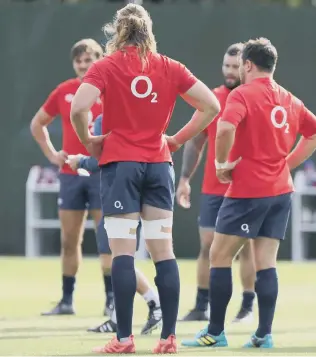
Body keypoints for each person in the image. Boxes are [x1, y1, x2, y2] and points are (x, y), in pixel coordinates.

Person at [69, 4, 220, 354]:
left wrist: (89, 142)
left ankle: (124, 340)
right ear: (149, 30)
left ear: (118, 32)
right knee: (163, 252)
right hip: (158, 166)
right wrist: (177, 140)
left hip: (121, 167)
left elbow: (79, 109)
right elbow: (211, 106)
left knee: (122, 253)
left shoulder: (105, 66)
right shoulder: (169, 66)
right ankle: (168, 339)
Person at [182, 37, 316, 349]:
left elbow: (223, 129)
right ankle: (263, 334)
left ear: (248, 65)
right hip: (280, 191)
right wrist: (287, 164)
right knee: (267, 263)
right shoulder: (289, 98)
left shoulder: (242, 95)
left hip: (248, 190)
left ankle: (215, 333)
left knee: (218, 256)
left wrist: (221, 164)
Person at [30, 39, 112, 316]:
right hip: (71, 174)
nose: (83, 64)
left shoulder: (110, 89)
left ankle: (111, 300)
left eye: (88, 59)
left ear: (99, 60)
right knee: (69, 240)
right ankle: (67, 300)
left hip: (102, 173)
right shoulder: (64, 91)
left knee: (106, 238)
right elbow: (37, 124)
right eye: (78, 60)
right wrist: (53, 155)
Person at [177, 43, 256, 323]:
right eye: (226, 66)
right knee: (208, 246)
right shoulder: (212, 99)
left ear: (247, 67)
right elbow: (196, 142)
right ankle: (201, 306)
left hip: (247, 188)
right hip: (213, 188)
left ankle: (247, 307)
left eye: (236, 66)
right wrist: (184, 179)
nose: (230, 71)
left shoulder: (255, 98)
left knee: (246, 246)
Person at [66, 114, 162, 335]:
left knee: (118, 258)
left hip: (121, 191)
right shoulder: (140, 110)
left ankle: (153, 304)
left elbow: (104, 158)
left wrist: (80, 161)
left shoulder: (106, 117)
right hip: (143, 184)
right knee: (117, 258)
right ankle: (130, 313)